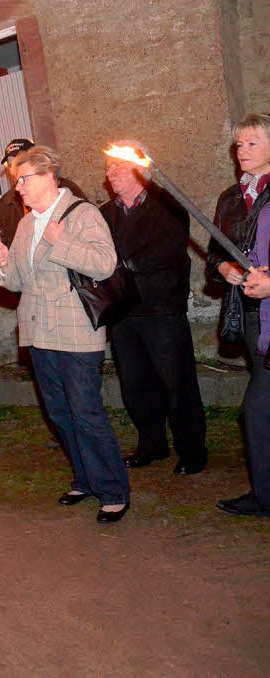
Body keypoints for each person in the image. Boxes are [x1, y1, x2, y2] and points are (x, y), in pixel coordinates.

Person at [0, 147, 129, 522]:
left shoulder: (82, 214)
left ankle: (113, 489)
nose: (18, 187)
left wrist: (60, 240)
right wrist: (2, 265)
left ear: (49, 176)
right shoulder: (25, 224)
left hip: (75, 331)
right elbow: (16, 282)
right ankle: (84, 478)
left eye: (24, 179)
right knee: (59, 412)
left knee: (86, 412)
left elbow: (105, 263)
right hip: (38, 332)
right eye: (17, 180)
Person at [101, 141, 207, 475]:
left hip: (161, 310)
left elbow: (167, 248)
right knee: (135, 385)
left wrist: (123, 264)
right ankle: (152, 445)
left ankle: (192, 451)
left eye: (117, 167)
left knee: (177, 383)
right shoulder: (105, 214)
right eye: (108, 168)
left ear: (137, 169)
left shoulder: (168, 205)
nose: (110, 173)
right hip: (123, 313)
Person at [209, 113, 270, 517]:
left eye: (251, 143)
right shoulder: (230, 198)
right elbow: (216, 251)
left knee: (258, 407)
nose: (241, 151)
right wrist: (224, 268)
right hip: (250, 314)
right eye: (238, 144)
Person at [0, 139, 86, 247]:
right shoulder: (4, 205)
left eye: (19, 161)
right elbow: (3, 243)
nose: (14, 167)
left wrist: (62, 243)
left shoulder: (66, 190)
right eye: (10, 164)